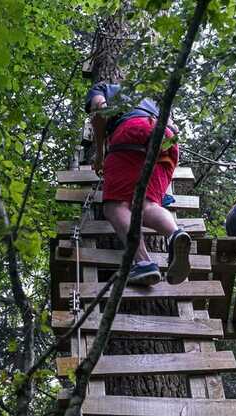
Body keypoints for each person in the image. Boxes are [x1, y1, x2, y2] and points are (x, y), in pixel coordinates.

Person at [85, 82, 191, 286]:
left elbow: (99, 111)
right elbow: (174, 126)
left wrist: (100, 154)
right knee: (148, 205)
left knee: (116, 207)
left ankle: (143, 263)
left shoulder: (102, 88)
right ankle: (174, 234)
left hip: (130, 133)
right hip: (166, 139)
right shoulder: (149, 100)